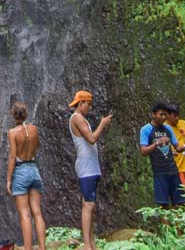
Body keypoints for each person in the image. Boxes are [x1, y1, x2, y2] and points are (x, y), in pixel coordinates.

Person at [68, 90, 112, 250]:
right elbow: (92, 139)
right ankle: (87, 245)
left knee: (89, 205)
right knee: (88, 205)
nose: (90, 107)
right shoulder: (77, 118)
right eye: (88, 104)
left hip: (92, 167)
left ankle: (91, 243)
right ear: (81, 103)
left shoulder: (81, 118)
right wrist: (102, 124)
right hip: (86, 167)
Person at [6, 101, 46, 250]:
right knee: (37, 212)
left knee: (25, 214)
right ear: (26, 114)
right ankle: (42, 248)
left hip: (21, 170)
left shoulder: (12, 133)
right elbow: (37, 147)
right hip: (34, 169)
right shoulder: (34, 129)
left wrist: (9, 179)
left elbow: (12, 157)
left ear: (13, 115)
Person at [139, 102, 185, 209]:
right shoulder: (146, 129)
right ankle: (165, 226)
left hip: (173, 170)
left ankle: (178, 225)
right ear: (153, 114)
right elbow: (143, 151)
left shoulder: (168, 129)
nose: (164, 117)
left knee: (180, 203)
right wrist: (157, 143)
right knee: (163, 205)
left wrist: (184, 147)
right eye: (161, 114)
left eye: (165, 115)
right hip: (160, 172)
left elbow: (177, 147)